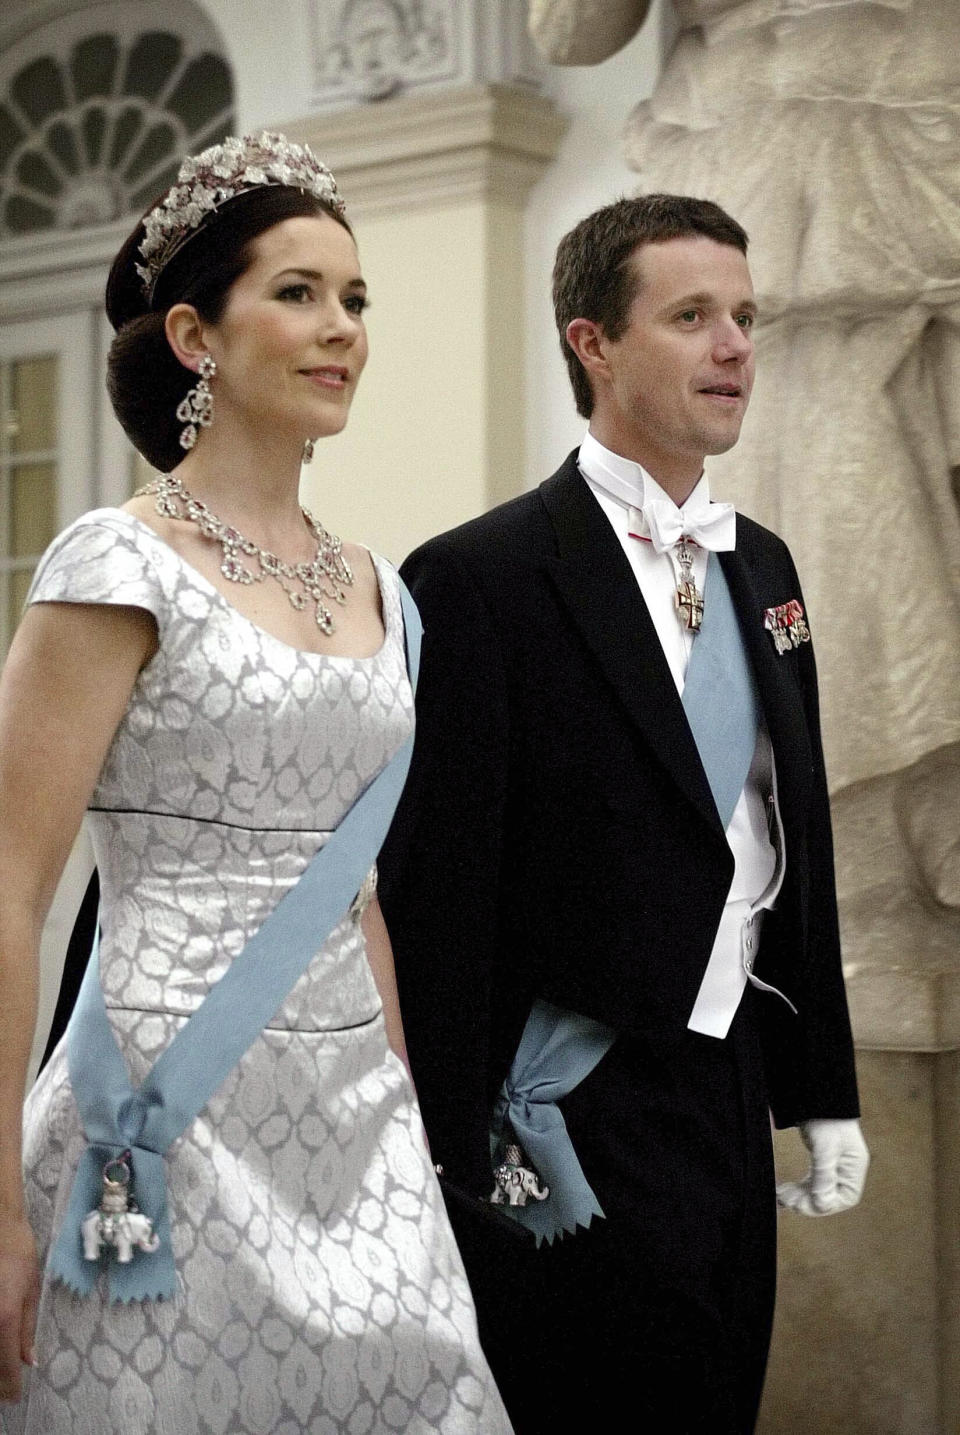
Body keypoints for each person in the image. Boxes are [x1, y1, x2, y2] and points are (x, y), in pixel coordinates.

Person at [0, 131, 511, 1434]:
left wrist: (400, 1104)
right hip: (158, 1127)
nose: (340, 327)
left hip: (360, 1128)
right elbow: (11, 882)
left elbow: (362, 890)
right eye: (297, 292)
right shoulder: (117, 563)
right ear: (194, 335)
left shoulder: (379, 592)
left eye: (355, 299)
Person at [377, 195, 870, 1433]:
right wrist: (446, 1159)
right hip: (565, 1099)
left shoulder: (764, 565)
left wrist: (822, 1091)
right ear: (591, 342)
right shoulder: (479, 577)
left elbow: (785, 838)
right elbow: (441, 899)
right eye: (692, 315)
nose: (735, 346)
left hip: (727, 1084)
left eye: (746, 317)